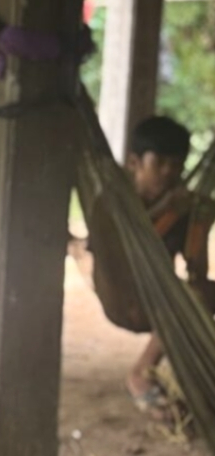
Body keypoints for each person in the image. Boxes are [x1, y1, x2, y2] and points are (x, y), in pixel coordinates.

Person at [73, 115, 215, 420]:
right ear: (135, 162)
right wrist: (166, 210)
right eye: (160, 163)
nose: (169, 172)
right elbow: (123, 249)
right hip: (123, 299)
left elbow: (197, 274)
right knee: (190, 295)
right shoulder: (111, 201)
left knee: (201, 293)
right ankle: (141, 374)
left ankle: (198, 377)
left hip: (161, 302)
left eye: (177, 165)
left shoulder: (184, 205)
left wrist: (199, 223)